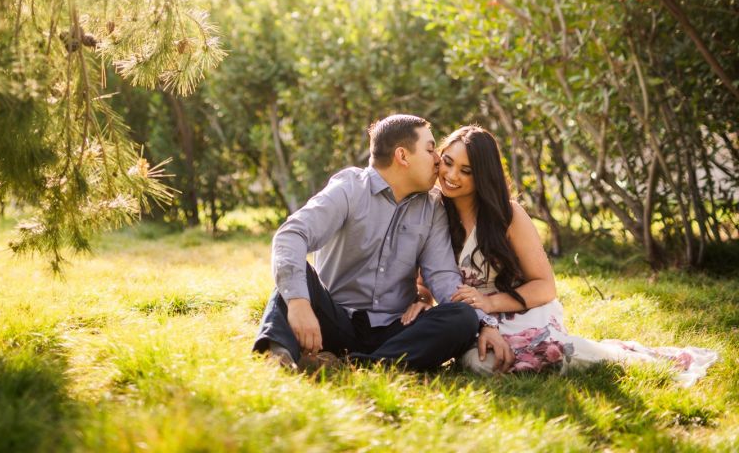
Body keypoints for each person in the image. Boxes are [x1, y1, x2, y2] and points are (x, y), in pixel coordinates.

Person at [402, 125, 718, 386]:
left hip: (520, 308)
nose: (451, 175)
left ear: (483, 176)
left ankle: (640, 360)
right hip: (471, 319)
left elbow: (544, 286)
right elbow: (429, 280)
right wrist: (420, 298)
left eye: (466, 170)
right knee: (478, 363)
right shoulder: (430, 209)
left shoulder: (506, 215)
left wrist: (489, 303)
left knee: (550, 351)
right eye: (447, 161)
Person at [253, 114, 514, 372]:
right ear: (402, 156)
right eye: (431, 149)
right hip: (336, 320)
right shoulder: (350, 189)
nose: (438, 160)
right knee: (293, 283)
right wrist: (299, 303)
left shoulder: (432, 207)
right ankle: (277, 356)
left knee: (461, 318)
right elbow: (291, 235)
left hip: (396, 329)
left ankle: (361, 364)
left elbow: (443, 278)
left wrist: (485, 324)